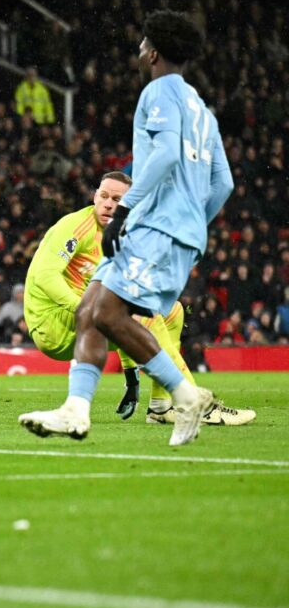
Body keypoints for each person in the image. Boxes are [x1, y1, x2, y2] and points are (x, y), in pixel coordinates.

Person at [20, 10, 235, 446]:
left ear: (153, 52)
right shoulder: (202, 110)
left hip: (156, 227)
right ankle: (75, 411)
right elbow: (223, 183)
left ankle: (184, 394)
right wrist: (193, 226)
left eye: (141, 43)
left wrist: (126, 211)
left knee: (108, 313)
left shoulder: (158, 92)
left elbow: (166, 155)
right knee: (91, 311)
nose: (137, 50)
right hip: (175, 230)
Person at [23, 172, 254, 426]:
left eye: (117, 199)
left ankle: (161, 406)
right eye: (103, 196)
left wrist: (130, 371)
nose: (108, 203)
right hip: (53, 323)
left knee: (172, 312)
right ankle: (195, 404)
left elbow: (119, 304)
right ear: (95, 197)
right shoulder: (77, 226)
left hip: (89, 323)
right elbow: (44, 276)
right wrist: (83, 309)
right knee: (149, 317)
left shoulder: (126, 237)